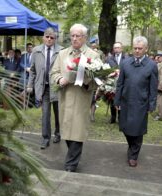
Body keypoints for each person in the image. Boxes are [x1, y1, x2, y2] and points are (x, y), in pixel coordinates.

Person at [50, 24, 99, 172]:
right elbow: (54, 73)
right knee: (67, 131)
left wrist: (84, 79)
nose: (75, 38)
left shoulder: (92, 56)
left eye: (78, 36)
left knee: (77, 131)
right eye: (72, 35)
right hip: (65, 98)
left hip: (81, 99)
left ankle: (71, 163)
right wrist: (59, 79)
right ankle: (72, 159)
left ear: (84, 38)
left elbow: (97, 80)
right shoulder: (63, 54)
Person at [114, 36, 158, 167]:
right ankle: (131, 146)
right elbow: (120, 83)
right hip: (126, 101)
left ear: (146, 49)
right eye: (135, 48)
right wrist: (117, 100)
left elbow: (153, 87)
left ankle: (133, 155)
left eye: (140, 48)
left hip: (141, 103)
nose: (137, 51)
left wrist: (151, 104)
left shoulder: (151, 65)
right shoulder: (125, 63)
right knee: (126, 128)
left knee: (138, 130)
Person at [27, 28, 62, 149]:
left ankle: (58, 133)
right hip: (43, 88)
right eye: (47, 36)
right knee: (45, 114)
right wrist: (30, 85)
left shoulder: (61, 51)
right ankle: (45, 138)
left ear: (55, 39)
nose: (49, 39)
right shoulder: (36, 51)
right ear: (43, 37)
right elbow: (32, 70)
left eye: (52, 37)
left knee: (58, 113)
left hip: (57, 87)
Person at [106, 42, 127, 123]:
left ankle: (121, 118)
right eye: (115, 48)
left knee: (122, 100)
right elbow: (106, 69)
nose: (117, 49)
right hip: (112, 83)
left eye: (118, 47)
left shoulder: (127, 58)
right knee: (112, 99)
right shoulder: (109, 59)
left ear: (121, 48)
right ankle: (113, 117)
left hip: (123, 83)